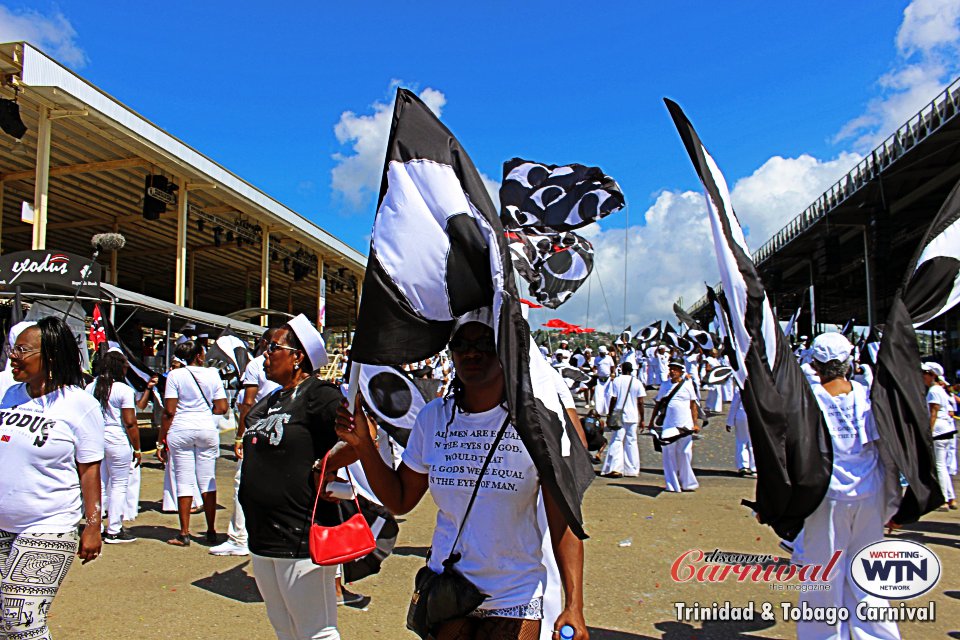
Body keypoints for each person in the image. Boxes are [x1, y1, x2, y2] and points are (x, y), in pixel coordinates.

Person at [336, 310, 588, 640]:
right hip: (448, 587)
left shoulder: (536, 424)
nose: (471, 352)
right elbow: (400, 500)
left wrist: (574, 606)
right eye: (461, 344)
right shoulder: (433, 418)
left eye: (484, 342)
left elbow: (562, 522)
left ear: (506, 351)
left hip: (513, 593)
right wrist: (364, 446)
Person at [238, 314, 348, 640]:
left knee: (317, 631)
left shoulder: (319, 393)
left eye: (273, 347)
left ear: (297, 356)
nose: (265, 355)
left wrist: (324, 466)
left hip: (298, 532)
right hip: (261, 533)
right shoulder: (271, 400)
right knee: (284, 628)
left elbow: (361, 436)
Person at [0, 316, 103, 639]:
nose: (13, 357)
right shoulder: (8, 396)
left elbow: (89, 470)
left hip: (49, 524)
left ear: (51, 357)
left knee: (22, 619)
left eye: (22, 350)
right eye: (12, 349)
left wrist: (93, 526)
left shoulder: (79, 404)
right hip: (2, 523)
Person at [798, 333, 900, 639]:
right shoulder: (868, 396)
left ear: (814, 364)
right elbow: (888, 452)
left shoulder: (808, 400)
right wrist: (893, 503)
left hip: (826, 497)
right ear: (849, 362)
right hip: (870, 492)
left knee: (823, 576)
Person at [210, 328, 281, 557]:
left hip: (258, 432)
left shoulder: (256, 364)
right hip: (281, 431)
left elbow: (247, 404)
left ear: (262, 343)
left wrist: (240, 435)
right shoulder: (292, 366)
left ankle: (239, 537)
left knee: (244, 484)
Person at [158, 340, 228, 546]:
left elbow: (169, 410)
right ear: (199, 356)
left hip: (181, 429)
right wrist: (205, 413)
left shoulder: (174, 375)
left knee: (184, 480)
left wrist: (161, 441)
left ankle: (184, 532)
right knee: (208, 479)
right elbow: (222, 407)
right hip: (206, 428)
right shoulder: (213, 374)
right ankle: (211, 530)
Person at [85, 349, 141, 543]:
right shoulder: (123, 390)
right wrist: (137, 447)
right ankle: (114, 529)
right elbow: (130, 422)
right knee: (119, 485)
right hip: (117, 438)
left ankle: (96, 525)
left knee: (99, 484)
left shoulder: (90, 387)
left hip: (95, 438)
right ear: (120, 368)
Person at [651, 359, 699, 492]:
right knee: (668, 454)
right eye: (671, 368)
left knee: (684, 453)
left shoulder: (688, 385)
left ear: (681, 372)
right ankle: (672, 484)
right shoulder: (665, 385)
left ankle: (688, 483)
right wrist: (651, 421)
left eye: (675, 369)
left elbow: (693, 405)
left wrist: (695, 424)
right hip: (669, 425)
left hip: (685, 425)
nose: (672, 371)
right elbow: (658, 404)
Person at [600, 361, 644, 478]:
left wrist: (609, 414)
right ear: (632, 370)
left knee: (617, 440)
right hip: (633, 416)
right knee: (631, 442)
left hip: (619, 415)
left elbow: (613, 399)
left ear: (622, 369)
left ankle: (615, 468)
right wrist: (642, 418)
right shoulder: (637, 382)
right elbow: (640, 402)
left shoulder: (617, 381)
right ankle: (632, 470)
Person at [923, 362, 957, 510]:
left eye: (924, 373)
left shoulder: (934, 391)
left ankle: (942, 498)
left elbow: (933, 413)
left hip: (939, 430)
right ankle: (950, 497)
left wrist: (928, 433)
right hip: (946, 429)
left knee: (939, 466)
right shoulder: (939, 390)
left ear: (932, 375)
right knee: (942, 465)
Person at [726, 388, 755, 476]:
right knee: (754, 441)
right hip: (755, 414)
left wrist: (729, 421)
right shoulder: (760, 383)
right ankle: (754, 467)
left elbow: (734, 404)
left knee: (741, 440)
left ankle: (743, 465)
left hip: (742, 414)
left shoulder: (740, 384)